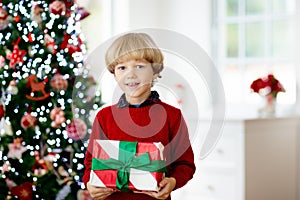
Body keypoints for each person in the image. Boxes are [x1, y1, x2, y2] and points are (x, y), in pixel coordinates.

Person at [82, 32, 195, 200]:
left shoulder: (172, 116)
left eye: (139, 66)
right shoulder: (104, 117)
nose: (130, 74)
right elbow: (91, 164)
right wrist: (89, 184)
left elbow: (185, 164)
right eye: (122, 68)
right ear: (115, 74)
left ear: (155, 72)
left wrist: (172, 181)